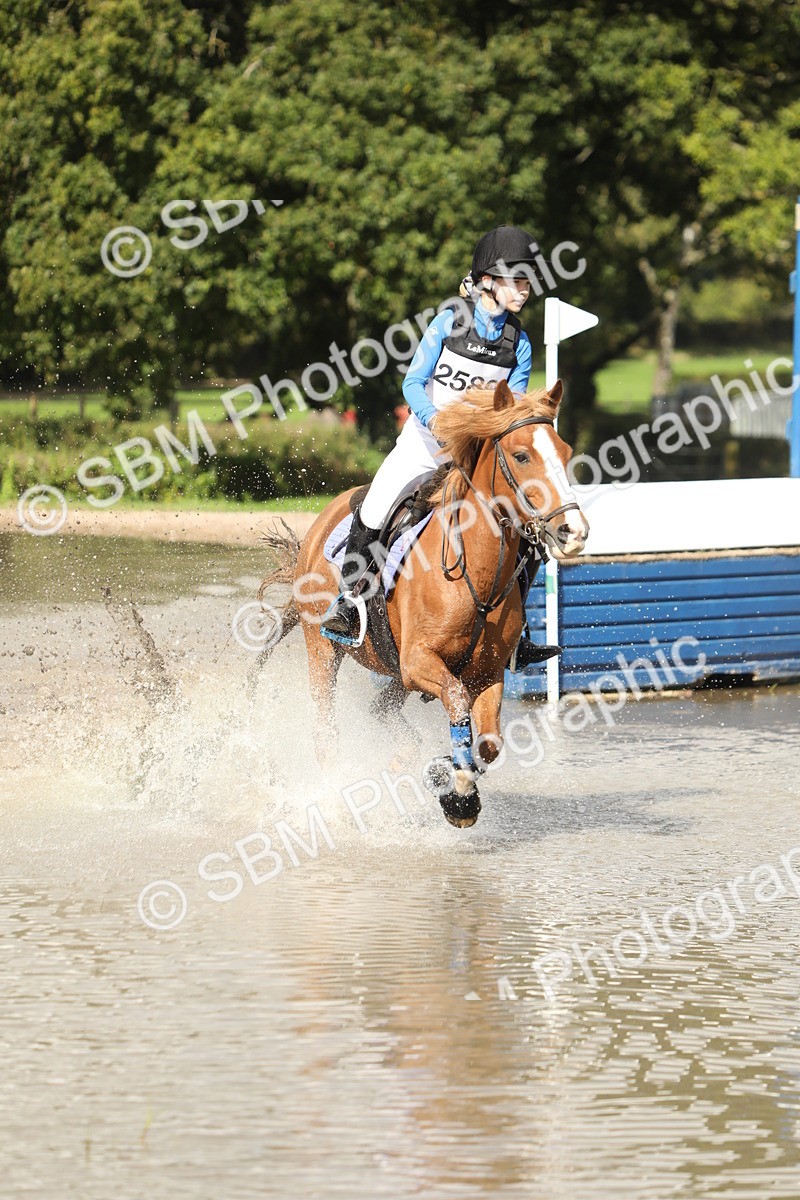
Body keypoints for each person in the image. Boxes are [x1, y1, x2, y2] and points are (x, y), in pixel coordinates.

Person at [321, 224, 558, 668]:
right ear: (488, 280)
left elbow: (511, 416)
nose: (525, 289)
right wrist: (436, 423)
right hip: (422, 445)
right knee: (374, 510)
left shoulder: (519, 344)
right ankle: (348, 606)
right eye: (517, 279)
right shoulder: (449, 322)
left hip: (472, 460)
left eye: (527, 280)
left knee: (525, 532)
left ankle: (518, 629)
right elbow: (412, 383)